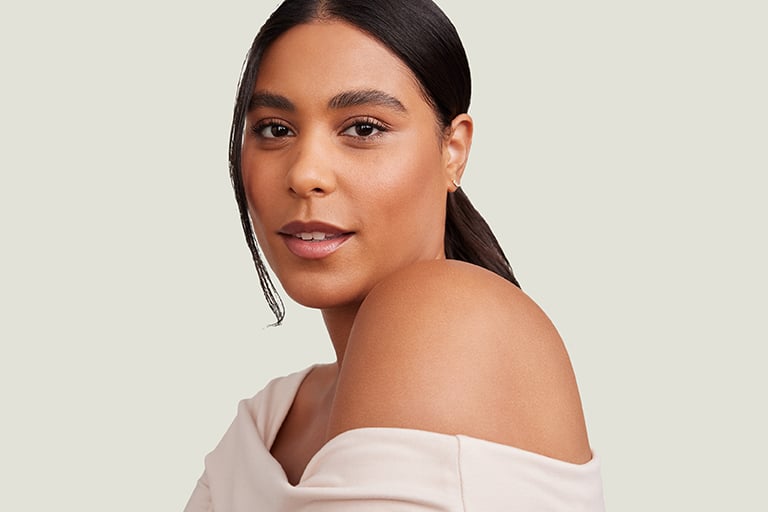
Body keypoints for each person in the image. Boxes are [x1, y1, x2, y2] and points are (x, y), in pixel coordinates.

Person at [185, 0, 605, 510]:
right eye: (276, 129)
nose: (305, 174)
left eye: (363, 128)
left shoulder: (446, 313)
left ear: (453, 150)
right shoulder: (268, 418)